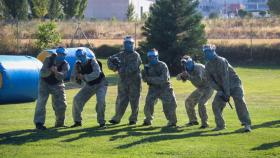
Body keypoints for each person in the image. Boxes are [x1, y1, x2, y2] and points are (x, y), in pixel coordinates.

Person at [203, 44, 252, 132]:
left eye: (208, 52)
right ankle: (220, 125)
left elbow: (225, 77)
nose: (206, 54)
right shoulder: (207, 65)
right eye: (205, 52)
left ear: (213, 52)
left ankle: (246, 124)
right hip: (222, 88)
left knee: (239, 101)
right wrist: (220, 90)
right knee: (215, 105)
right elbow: (210, 81)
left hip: (234, 84)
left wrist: (227, 93)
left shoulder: (221, 61)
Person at [107, 36, 142, 125]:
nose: (128, 45)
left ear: (133, 44)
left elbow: (132, 68)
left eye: (130, 43)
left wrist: (119, 67)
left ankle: (133, 119)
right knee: (121, 100)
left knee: (134, 101)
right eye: (126, 43)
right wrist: (114, 66)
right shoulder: (120, 54)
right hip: (123, 82)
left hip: (134, 82)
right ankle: (117, 118)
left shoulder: (136, 55)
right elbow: (110, 60)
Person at [34, 47, 70, 130]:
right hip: (44, 83)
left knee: (62, 104)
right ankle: (39, 123)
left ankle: (59, 123)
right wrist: (50, 71)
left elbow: (62, 76)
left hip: (58, 84)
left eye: (64, 55)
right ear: (57, 53)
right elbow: (42, 73)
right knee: (41, 103)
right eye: (60, 54)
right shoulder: (48, 59)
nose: (62, 56)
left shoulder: (66, 64)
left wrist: (56, 72)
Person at [70, 49, 108, 128]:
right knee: (77, 99)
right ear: (77, 57)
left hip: (101, 84)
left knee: (101, 101)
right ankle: (77, 121)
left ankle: (102, 123)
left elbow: (97, 73)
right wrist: (76, 78)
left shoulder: (93, 61)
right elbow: (73, 78)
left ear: (85, 55)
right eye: (79, 56)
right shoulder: (77, 65)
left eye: (83, 55)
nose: (81, 57)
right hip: (89, 85)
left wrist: (83, 77)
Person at [142, 49, 177, 127]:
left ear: (157, 56)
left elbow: (163, 79)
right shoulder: (147, 66)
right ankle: (148, 120)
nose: (152, 58)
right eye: (150, 57)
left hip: (165, 88)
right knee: (148, 104)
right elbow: (145, 79)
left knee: (169, 105)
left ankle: (172, 121)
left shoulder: (162, 65)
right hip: (153, 89)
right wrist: (144, 75)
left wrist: (149, 79)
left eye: (154, 57)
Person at [176, 56, 214, 128]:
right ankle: (193, 121)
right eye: (184, 64)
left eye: (187, 63)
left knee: (201, 103)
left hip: (209, 87)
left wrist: (188, 76)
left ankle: (205, 124)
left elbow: (199, 80)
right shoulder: (187, 70)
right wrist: (181, 76)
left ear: (191, 62)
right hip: (201, 88)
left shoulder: (198, 67)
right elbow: (177, 78)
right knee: (188, 101)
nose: (186, 65)